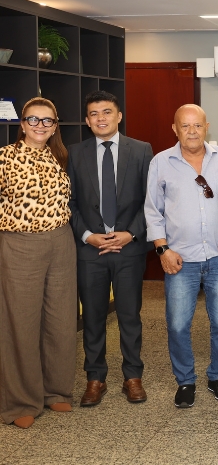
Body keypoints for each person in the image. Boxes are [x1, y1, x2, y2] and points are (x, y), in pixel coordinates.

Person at [145, 105, 218, 408]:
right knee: (177, 325)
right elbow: (152, 211)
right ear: (175, 129)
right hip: (179, 259)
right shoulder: (161, 162)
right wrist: (162, 249)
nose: (192, 131)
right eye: (185, 126)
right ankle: (185, 381)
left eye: (197, 125)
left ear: (206, 127)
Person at [68, 90, 153, 407]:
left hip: (128, 249)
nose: (100, 118)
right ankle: (95, 378)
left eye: (106, 112)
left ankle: (133, 377)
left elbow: (151, 201)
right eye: (94, 113)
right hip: (90, 251)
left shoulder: (141, 150)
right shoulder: (75, 153)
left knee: (130, 316)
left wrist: (131, 234)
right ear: (87, 121)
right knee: (92, 318)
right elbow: (69, 202)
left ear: (119, 116)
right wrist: (87, 235)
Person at [0, 98, 76, 429]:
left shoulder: (59, 156)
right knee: (21, 322)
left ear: (55, 126)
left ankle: (56, 390)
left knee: (61, 319)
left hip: (61, 242)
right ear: (22, 123)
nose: (40, 126)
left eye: (48, 121)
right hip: (20, 244)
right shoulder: (5, 157)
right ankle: (20, 401)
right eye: (33, 119)